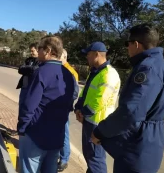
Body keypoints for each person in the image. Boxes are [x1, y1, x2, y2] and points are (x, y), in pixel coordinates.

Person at [91, 23, 164, 173]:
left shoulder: (147, 68)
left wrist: (100, 132)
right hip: (152, 140)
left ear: (136, 44)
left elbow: (131, 111)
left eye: (128, 44)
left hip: (137, 142)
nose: (127, 48)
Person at [17, 36, 79, 173]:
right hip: (57, 136)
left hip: (36, 134)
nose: (37, 52)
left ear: (48, 51)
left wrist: (22, 127)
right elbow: (69, 103)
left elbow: (29, 105)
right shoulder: (69, 75)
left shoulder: (40, 73)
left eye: (40, 49)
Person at [74, 42, 121, 173]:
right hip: (89, 120)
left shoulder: (108, 74)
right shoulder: (95, 72)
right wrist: (77, 108)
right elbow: (85, 93)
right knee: (90, 156)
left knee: (95, 158)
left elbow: (100, 100)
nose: (86, 58)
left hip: (98, 123)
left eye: (88, 55)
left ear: (96, 54)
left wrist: (83, 112)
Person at [58, 49, 79, 172]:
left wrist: (65, 104)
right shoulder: (59, 69)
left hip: (63, 108)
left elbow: (74, 93)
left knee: (64, 133)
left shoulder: (70, 72)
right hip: (57, 108)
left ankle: (64, 159)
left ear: (64, 57)